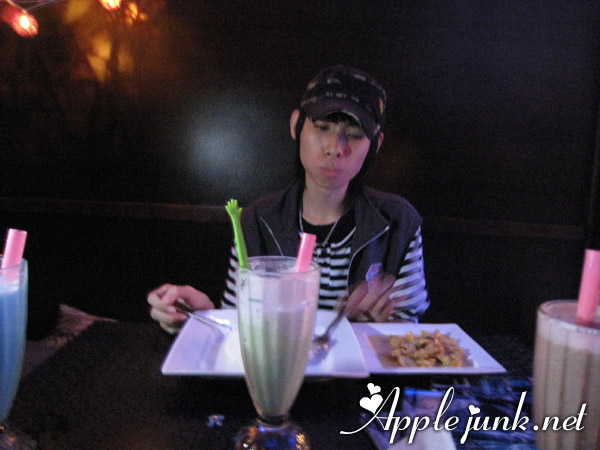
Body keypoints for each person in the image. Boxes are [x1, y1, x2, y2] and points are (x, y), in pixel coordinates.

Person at [148, 65, 429, 334]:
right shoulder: (256, 222)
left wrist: (372, 331)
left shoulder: (399, 224)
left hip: (364, 371)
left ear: (375, 145)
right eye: (323, 127)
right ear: (297, 126)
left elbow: (408, 334)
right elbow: (240, 327)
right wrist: (202, 316)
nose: (335, 148)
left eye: (355, 135)